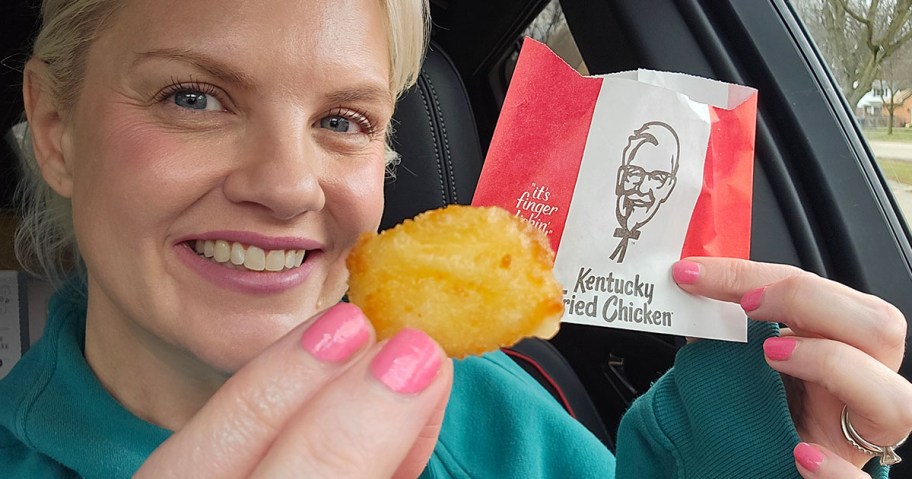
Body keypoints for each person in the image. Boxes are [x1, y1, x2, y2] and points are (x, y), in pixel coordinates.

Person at [0, 0, 910, 477]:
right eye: (192, 97)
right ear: (54, 127)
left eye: (345, 120)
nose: (284, 185)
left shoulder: (483, 402)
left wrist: (742, 449)